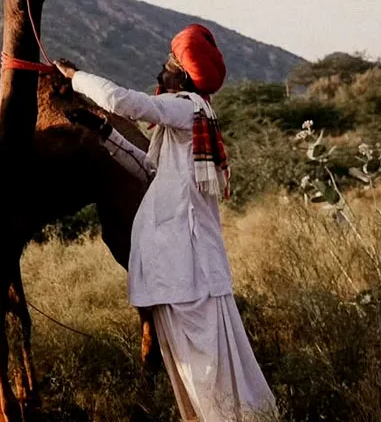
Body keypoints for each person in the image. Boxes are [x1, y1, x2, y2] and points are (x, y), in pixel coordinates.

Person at [55, 24, 276, 422]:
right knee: (191, 368)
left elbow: (127, 102)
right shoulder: (188, 120)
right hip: (177, 271)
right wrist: (105, 133)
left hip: (186, 270)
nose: (160, 76)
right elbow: (151, 171)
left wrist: (76, 77)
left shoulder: (188, 106)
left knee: (204, 366)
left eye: (166, 68)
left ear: (185, 76)